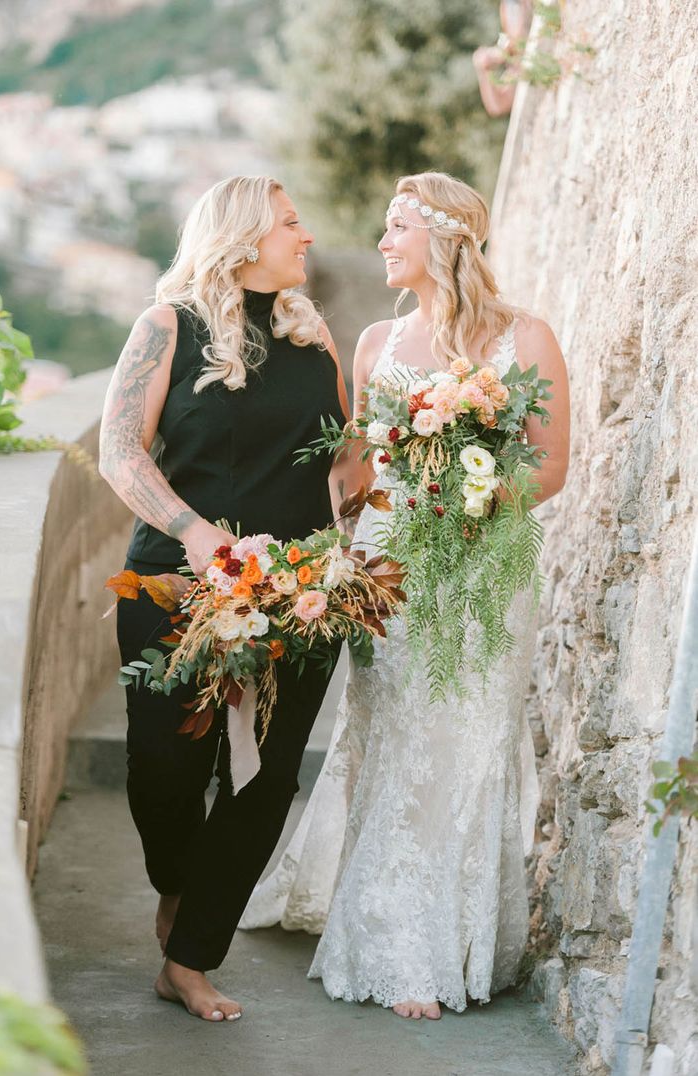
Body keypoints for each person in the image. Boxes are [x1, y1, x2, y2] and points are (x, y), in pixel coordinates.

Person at [240, 171, 570, 1020]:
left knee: (467, 738)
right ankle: (389, 929)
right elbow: (354, 466)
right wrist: (336, 559)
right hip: (388, 565)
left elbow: (551, 464)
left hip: (479, 567)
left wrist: (471, 500)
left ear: (445, 239)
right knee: (392, 736)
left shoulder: (525, 338)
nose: (382, 242)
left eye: (397, 228)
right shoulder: (375, 342)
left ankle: (451, 936)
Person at [98, 175, 359, 1023]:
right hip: (174, 585)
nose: (306, 236)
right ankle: (176, 883)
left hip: (299, 595)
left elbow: (341, 464)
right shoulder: (166, 326)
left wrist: (411, 469)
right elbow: (119, 454)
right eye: (291, 222)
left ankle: (190, 956)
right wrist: (199, 534)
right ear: (244, 236)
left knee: (264, 779)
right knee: (165, 768)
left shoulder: (311, 334)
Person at [473, 0, 534, 117]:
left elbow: (522, 33)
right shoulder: (507, 7)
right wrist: (484, 71)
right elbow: (498, 107)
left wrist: (505, 50)